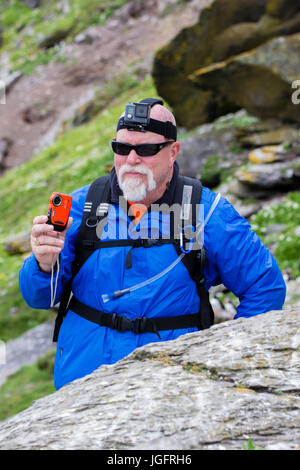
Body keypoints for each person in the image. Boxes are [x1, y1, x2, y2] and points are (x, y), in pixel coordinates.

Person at [19, 98, 286, 390]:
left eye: (145, 149)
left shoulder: (206, 211)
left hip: (169, 385)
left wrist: (228, 354)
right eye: (121, 148)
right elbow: (39, 298)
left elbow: (265, 287)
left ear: (173, 152)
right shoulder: (83, 205)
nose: (132, 159)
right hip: (80, 382)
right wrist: (43, 265)